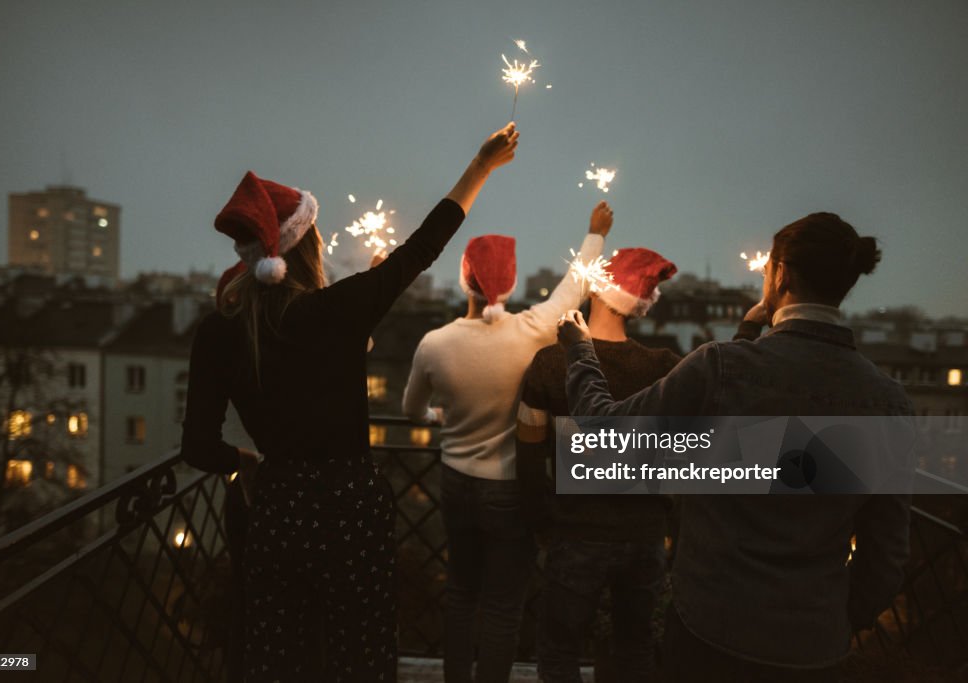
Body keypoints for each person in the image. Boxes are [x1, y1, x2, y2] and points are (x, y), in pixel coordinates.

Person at [179, 122, 520, 682]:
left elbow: (198, 444)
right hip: (349, 510)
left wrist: (242, 463)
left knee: (278, 656)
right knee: (358, 654)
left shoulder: (219, 331)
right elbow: (422, 248)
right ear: (305, 244)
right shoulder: (333, 312)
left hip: (278, 510)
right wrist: (480, 167)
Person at [556, 212, 912, 682]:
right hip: (813, 644)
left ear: (781, 274)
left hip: (711, 629)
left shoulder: (721, 367)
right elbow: (886, 552)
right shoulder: (889, 402)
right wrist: (840, 620)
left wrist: (579, 351)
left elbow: (607, 433)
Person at [402, 201, 613, 683]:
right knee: (502, 605)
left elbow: (409, 411)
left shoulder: (435, 343)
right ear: (512, 282)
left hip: (455, 483)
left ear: (464, 278)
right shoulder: (533, 330)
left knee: (460, 594)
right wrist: (595, 233)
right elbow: (575, 287)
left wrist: (438, 417)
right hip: (509, 489)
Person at [516, 247, 680, 683]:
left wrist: (543, 524)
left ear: (595, 285)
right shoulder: (664, 368)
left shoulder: (551, 363)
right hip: (644, 533)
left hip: (575, 530)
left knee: (559, 651)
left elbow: (528, 454)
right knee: (635, 649)